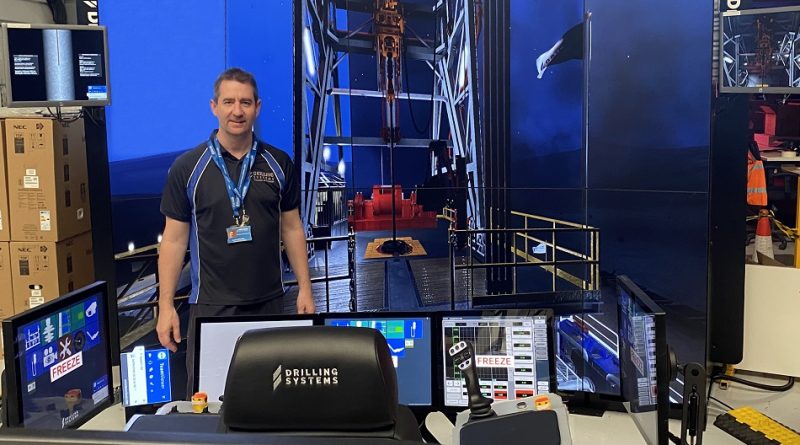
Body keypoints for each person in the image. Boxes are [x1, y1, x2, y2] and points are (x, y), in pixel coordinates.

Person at [156, 67, 315, 396]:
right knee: (208, 405)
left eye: (245, 102)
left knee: (275, 400)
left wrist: (305, 289)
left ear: (257, 107)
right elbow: (173, 241)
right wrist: (166, 305)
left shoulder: (278, 163)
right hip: (211, 307)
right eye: (229, 102)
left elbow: (292, 228)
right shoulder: (188, 168)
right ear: (214, 107)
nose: (237, 111)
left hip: (269, 304)